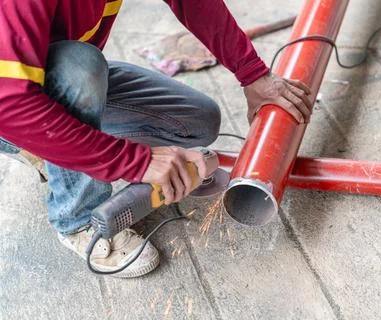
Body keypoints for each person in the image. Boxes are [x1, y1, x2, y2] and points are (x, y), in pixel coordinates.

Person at [0, 0, 313, 278]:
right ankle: (78, 221)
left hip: (46, 77)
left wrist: (253, 75)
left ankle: (59, 144)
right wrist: (136, 162)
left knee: (196, 122)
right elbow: (9, 104)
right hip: (12, 98)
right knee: (80, 67)